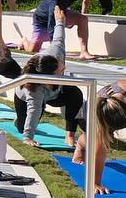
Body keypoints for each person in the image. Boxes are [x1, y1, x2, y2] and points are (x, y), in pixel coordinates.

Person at [74, 61, 126, 196]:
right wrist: (95, 183)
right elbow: (99, 154)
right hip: (97, 115)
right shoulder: (99, 120)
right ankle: (80, 145)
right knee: (92, 140)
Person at [13, 8, 84, 147]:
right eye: (60, 69)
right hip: (25, 98)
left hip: (54, 92)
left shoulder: (56, 52)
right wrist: (28, 137)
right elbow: (34, 112)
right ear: (49, 76)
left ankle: (69, 135)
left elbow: (58, 37)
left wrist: (60, 21)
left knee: (75, 93)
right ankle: (19, 122)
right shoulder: (33, 89)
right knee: (23, 126)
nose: (63, 66)